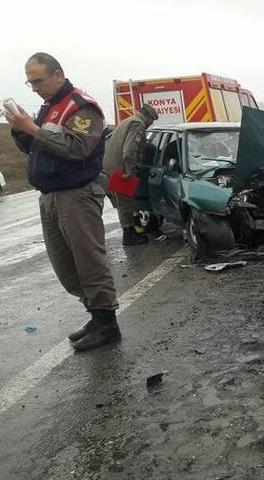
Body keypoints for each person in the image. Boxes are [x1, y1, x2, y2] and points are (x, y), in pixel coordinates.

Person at [5, 52, 120, 351]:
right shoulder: (49, 108)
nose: (35, 88)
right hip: (50, 196)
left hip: (77, 194)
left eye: (39, 81)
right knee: (65, 266)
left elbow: (78, 148)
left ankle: (107, 324)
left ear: (58, 74)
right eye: (29, 83)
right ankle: (95, 315)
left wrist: (32, 128)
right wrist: (22, 131)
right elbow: (39, 147)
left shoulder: (81, 107)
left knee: (88, 262)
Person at [103, 103, 158, 245]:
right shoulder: (137, 124)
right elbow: (129, 150)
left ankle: (133, 233)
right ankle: (130, 236)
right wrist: (129, 171)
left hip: (110, 168)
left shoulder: (127, 121)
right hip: (121, 170)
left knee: (124, 204)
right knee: (127, 205)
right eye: (151, 121)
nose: (150, 125)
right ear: (148, 117)